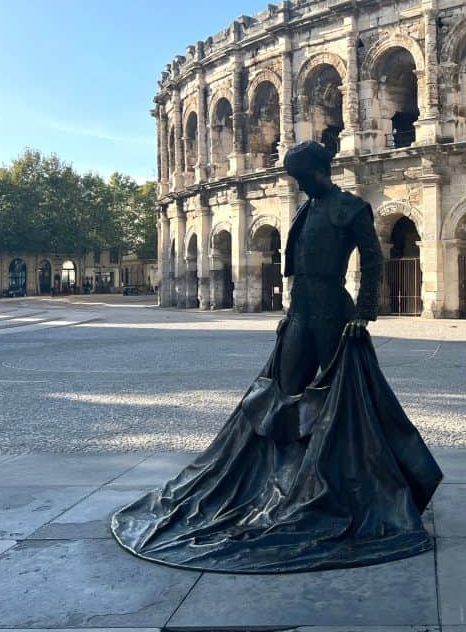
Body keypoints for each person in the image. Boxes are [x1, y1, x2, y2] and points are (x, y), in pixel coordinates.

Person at [111, 141, 441, 573]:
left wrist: (364, 313)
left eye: (301, 176)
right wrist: (289, 314)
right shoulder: (304, 209)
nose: (297, 183)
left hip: (333, 312)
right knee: (281, 394)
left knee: (346, 399)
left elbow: (373, 260)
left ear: (320, 170)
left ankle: (354, 480)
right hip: (302, 311)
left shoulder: (352, 208)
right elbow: (298, 266)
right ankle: (277, 478)